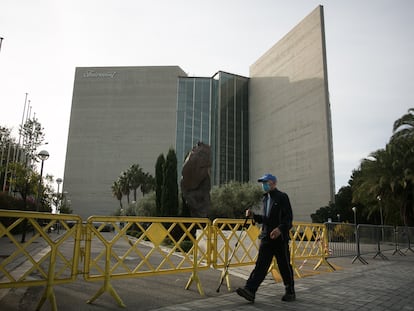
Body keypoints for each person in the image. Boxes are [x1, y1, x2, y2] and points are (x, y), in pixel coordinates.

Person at [236, 173, 295, 303]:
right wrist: (254, 216)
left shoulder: (282, 197)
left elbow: (288, 218)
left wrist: (280, 229)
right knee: (261, 266)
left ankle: (290, 291)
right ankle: (250, 290)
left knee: (284, 265)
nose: (263, 185)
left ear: (273, 183)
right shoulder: (265, 199)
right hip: (266, 238)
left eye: (265, 182)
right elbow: (266, 219)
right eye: (262, 183)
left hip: (280, 239)